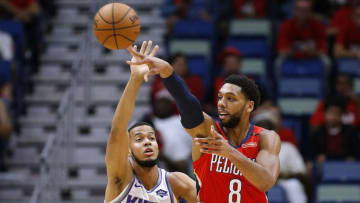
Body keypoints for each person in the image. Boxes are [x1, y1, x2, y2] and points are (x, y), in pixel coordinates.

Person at [127, 45, 281, 202]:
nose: (221, 103)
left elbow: (266, 182)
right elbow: (190, 107)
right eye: (220, 97)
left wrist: (230, 152)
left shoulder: (265, 137)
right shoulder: (210, 132)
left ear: (249, 106)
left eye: (230, 98)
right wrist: (168, 73)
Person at [104, 41, 197, 203]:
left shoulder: (176, 182)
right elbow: (117, 131)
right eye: (139, 139)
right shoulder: (120, 177)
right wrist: (135, 80)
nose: (147, 142)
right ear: (128, 151)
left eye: (151, 138)